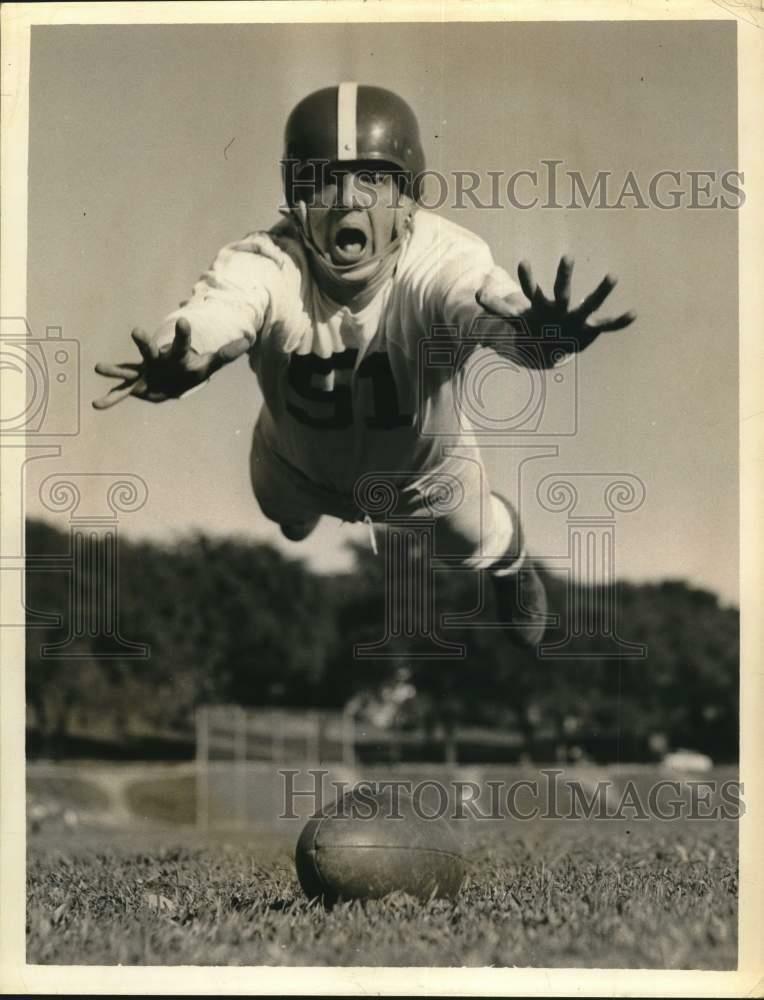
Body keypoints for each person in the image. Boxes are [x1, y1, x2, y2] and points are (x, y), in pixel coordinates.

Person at [94, 83, 635, 649]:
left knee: (474, 543)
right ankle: (306, 516)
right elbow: (216, 312)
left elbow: (484, 306)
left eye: (373, 179)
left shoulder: (444, 259)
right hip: (293, 468)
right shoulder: (267, 260)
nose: (349, 200)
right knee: (285, 516)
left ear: (408, 201)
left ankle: (509, 562)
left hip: (424, 476)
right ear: (295, 198)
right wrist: (184, 359)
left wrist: (536, 338)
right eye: (326, 178)